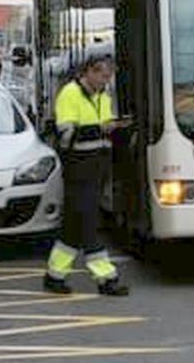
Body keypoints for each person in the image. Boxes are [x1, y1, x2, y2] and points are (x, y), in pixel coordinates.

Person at [43, 55, 129, 297]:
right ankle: (106, 278)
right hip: (78, 169)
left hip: (97, 168)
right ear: (89, 72)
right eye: (103, 76)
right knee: (90, 224)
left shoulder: (103, 96)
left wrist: (115, 128)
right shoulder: (70, 94)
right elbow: (66, 136)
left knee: (73, 227)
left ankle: (54, 276)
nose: (106, 82)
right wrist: (100, 129)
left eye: (109, 77)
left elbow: (103, 131)